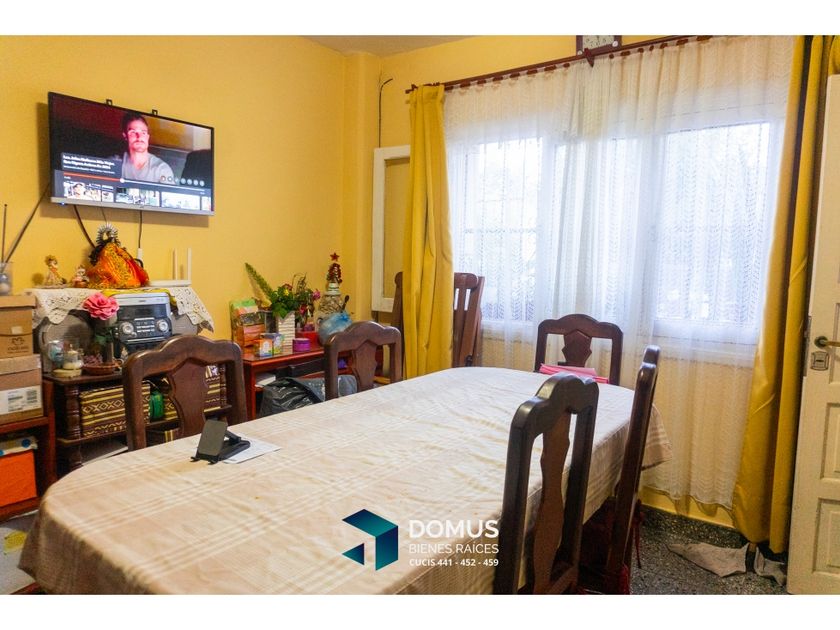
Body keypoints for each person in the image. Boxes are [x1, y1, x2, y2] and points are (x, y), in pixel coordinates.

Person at [119, 112, 174, 184]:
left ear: (147, 137)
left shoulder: (162, 169)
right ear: (125, 136)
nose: (139, 137)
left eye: (143, 133)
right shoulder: (115, 163)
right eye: (133, 132)